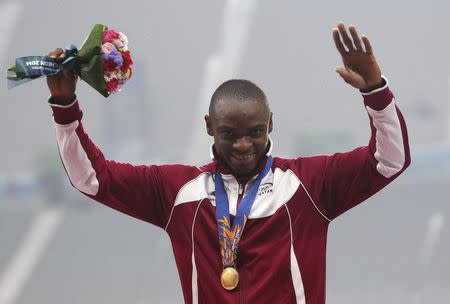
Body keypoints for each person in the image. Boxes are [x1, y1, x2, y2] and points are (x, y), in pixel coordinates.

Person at [46, 23, 410, 304]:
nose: (243, 145)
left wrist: (375, 90)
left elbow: (389, 161)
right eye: (229, 133)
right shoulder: (177, 192)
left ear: (270, 124)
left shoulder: (310, 185)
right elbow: (93, 178)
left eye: (254, 131)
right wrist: (65, 108)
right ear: (209, 127)